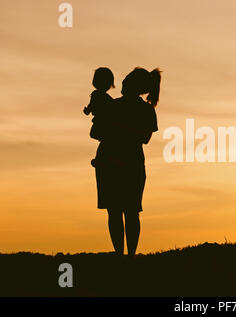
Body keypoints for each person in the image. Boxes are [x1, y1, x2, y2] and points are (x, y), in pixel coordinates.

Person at [93, 67, 161, 257]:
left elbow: (97, 132)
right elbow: (143, 137)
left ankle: (124, 256)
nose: (121, 84)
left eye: (126, 81)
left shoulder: (114, 107)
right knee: (127, 211)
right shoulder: (144, 110)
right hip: (127, 163)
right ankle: (126, 256)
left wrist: (115, 128)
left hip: (117, 161)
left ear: (134, 86)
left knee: (120, 211)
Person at [83, 67, 115, 141]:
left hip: (101, 121)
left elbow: (91, 105)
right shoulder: (100, 95)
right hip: (101, 121)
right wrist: (88, 110)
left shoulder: (98, 95)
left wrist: (87, 110)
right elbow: (91, 104)